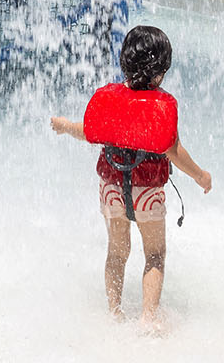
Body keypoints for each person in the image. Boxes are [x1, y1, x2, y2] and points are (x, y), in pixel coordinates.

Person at [50, 24, 214, 329]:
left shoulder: (110, 99)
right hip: (147, 192)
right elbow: (174, 151)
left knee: (117, 250)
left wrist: (64, 125)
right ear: (162, 71)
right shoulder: (161, 106)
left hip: (111, 188)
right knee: (154, 254)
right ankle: (149, 319)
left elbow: (89, 133)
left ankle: (114, 313)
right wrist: (201, 176)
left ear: (124, 61)